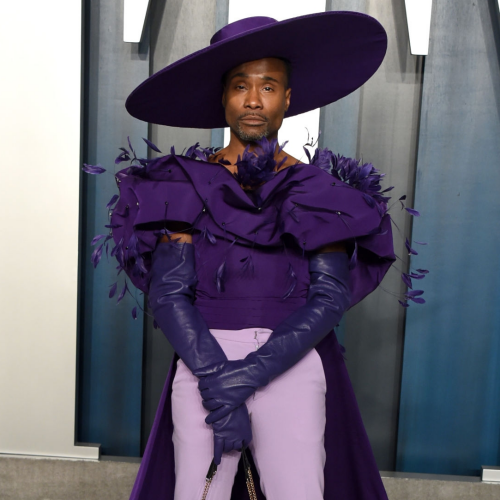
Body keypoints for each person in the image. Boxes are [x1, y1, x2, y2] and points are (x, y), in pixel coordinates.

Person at [105, 12, 396, 500]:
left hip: (292, 362)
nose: (254, 99)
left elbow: (328, 299)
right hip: (203, 360)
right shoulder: (182, 183)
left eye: (268, 85)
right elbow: (170, 293)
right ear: (223, 98)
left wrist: (244, 378)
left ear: (288, 98)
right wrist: (220, 380)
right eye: (241, 85)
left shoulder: (320, 191)